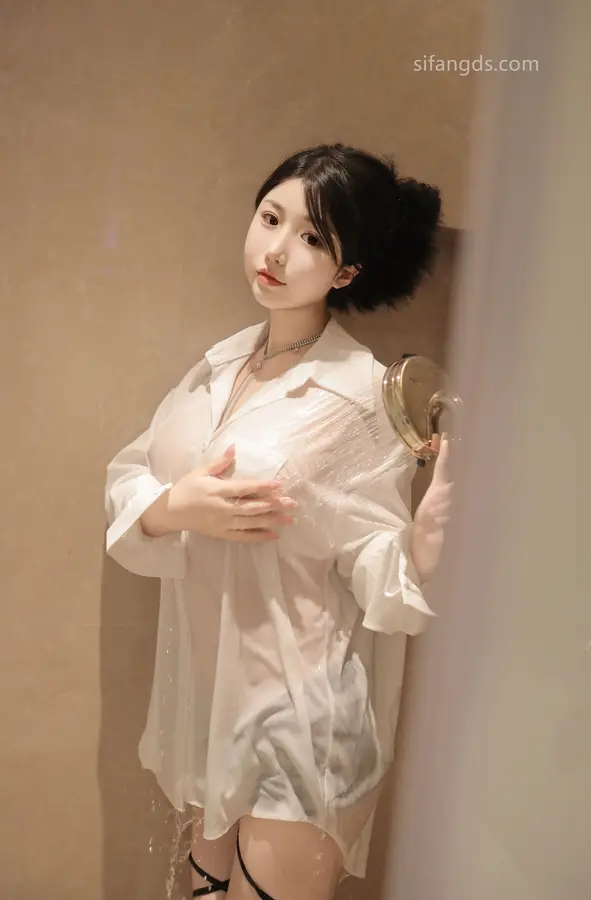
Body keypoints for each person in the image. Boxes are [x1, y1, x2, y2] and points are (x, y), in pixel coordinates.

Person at [105, 143, 451, 900]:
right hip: (217, 713)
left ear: (347, 271)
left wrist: (422, 546)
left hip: (305, 724)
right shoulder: (219, 367)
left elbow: (376, 560)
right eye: (271, 218)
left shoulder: (357, 396)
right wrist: (174, 509)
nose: (277, 250)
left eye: (313, 237)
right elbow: (132, 475)